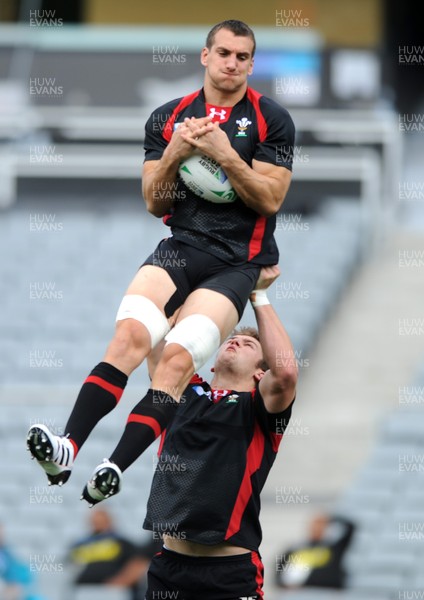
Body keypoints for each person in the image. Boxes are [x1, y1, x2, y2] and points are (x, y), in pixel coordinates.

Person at [27, 19, 295, 506]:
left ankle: (115, 465)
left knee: (174, 360)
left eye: (242, 56)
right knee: (129, 337)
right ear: (205, 56)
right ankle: (67, 447)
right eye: (224, 53)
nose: (232, 63)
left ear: (252, 64)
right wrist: (175, 151)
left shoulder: (271, 120)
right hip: (181, 246)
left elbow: (270, 198)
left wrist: (224, 154)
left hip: (236, 262)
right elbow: (154, 200)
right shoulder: (168, 117)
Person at [76, 265, 298, 598]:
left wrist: (258, 294)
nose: (235, 342)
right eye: (231, 339)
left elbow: (286, 374)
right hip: (169, 569)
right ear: (211, 361)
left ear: (259, 374)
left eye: (248, 346)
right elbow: (156, 337)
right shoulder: (181, 393)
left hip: (230, 574)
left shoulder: (260, 409)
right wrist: (187, 269)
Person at [67, 508, 160, 600]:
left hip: (114, 592)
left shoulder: (122, 543)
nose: (98, 524)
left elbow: (139, 564)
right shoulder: (79, 545)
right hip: (83, 592)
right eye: (95, 521)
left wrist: (119, 583)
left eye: (101, 520)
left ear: (109, 521)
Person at [275, 514, 356, 589]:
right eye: (315, 525)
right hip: (299, 593)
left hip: (325, 592)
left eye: (321, 525)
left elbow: (350, 527)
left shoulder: (334, 549)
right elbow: (279, 571)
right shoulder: (296, 549)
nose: (317, 528)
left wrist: (331, 518)